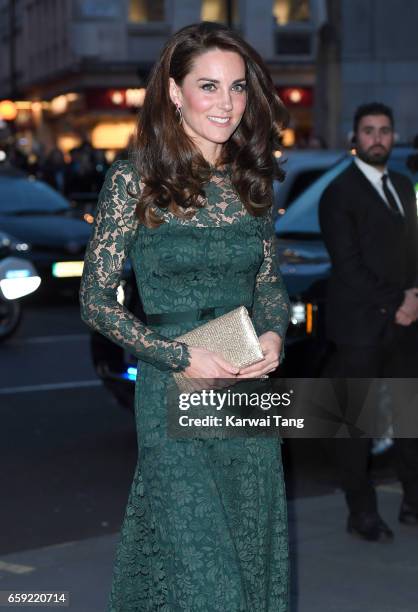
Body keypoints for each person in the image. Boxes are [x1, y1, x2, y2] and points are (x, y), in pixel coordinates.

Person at [80, 22, 290, 610]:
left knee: (251, 551)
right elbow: (95, 299)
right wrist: (179, 354)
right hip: (173, 382)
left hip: (246, 386)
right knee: (204, 566)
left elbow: (270, 286)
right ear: (174, 92)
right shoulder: (134, 180)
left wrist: (275, 333)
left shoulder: (253, 182)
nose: (226, 104)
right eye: (209, 86)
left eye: (238, 88)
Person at [319, 102, 418, 542]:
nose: (377, 137)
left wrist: (414, 296)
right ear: (354, 139)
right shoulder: (338, 192)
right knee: (355, 428)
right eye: (369, 131)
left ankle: (414, 504)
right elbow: (349, 265)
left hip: (405, 324)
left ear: (393, 136)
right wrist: (400, 299)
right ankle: (360, 513)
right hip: (359, 328)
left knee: (410, 419)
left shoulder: (403, 183)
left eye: (384, 130)